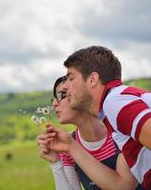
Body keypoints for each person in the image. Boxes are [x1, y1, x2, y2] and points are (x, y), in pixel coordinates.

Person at [54, 45, 150, 189]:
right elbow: (122, 186)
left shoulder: (113, 101)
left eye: (71, 78)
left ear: (93, 79)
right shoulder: (114, 108)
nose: (66, 87)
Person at [37, 76, 141, 190]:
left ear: (82, 94)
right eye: (54, 98)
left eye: (61, 95)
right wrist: (56, 163)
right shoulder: (67, 146)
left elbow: (124, 187)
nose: (54, 104)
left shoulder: (119, 130)